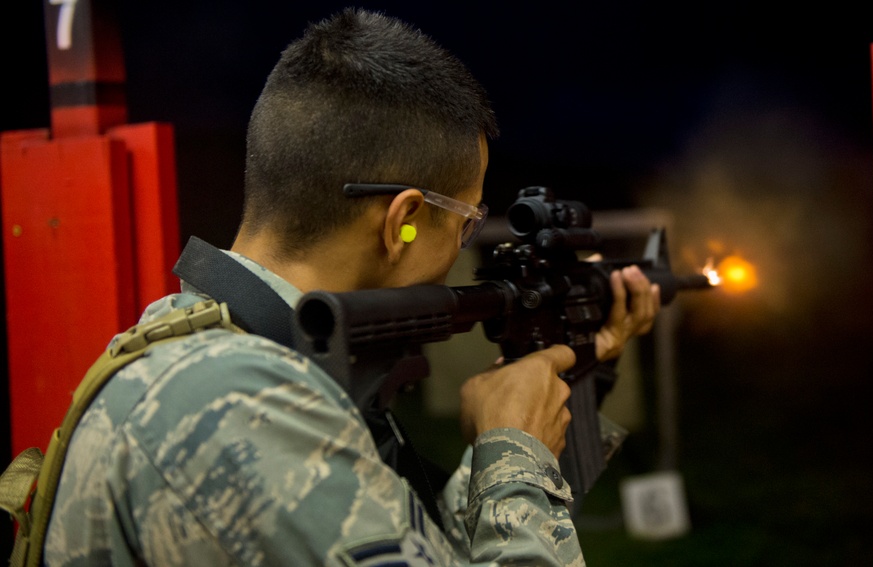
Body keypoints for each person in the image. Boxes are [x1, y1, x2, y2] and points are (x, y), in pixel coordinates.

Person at [43, 8, 661, 565]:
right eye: (468, 221)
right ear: (405, 223)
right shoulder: (231, 403)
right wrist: (512, 453)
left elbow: (415, 544)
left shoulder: (236, 359)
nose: (464, 247)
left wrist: (564, 389)